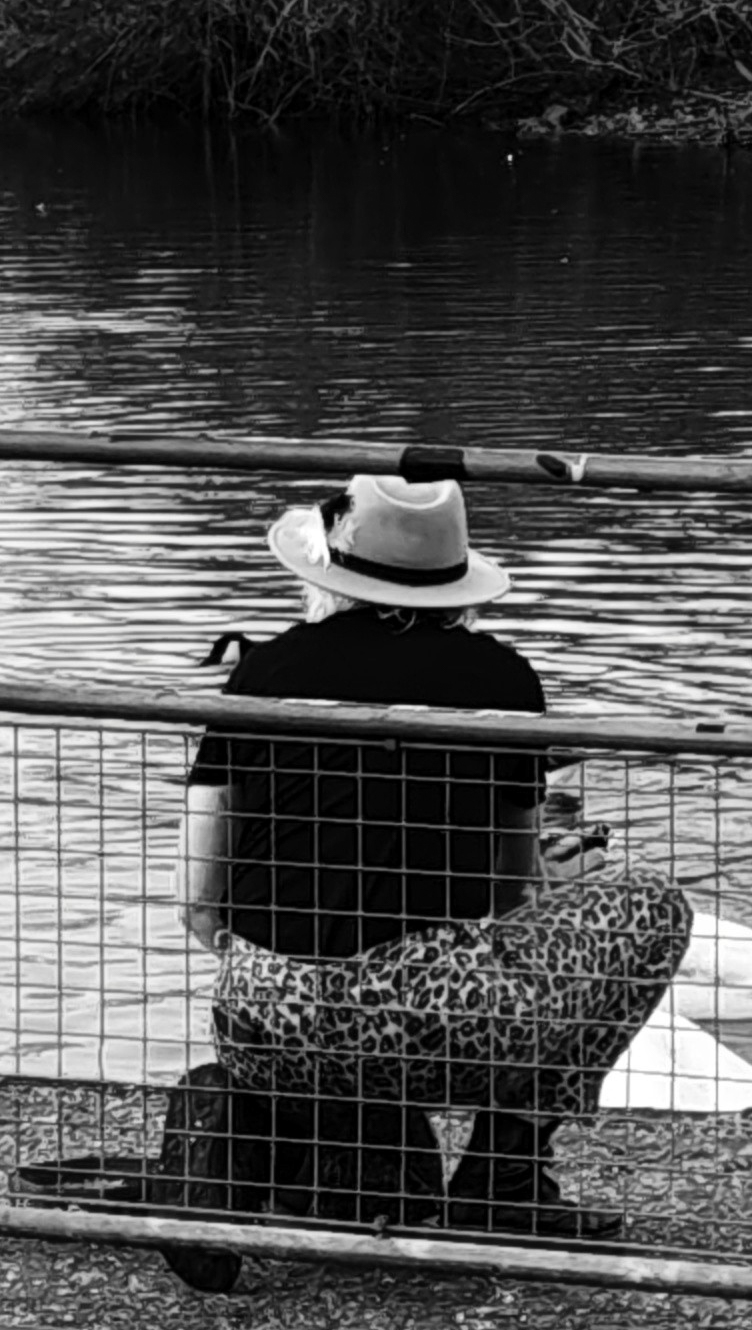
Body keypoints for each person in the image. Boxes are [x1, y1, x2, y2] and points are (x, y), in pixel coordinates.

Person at [175, 475, 687, 1248]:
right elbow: (507, 889)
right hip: (433, 1021)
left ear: (331, 572)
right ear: (456, 584)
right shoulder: (501, 682)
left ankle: (280, 1131)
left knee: (316, 967)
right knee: (653, 905)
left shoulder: (259, 676)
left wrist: (298, 966)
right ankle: (505, 1184)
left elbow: (196, 899)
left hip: (262, 1014)